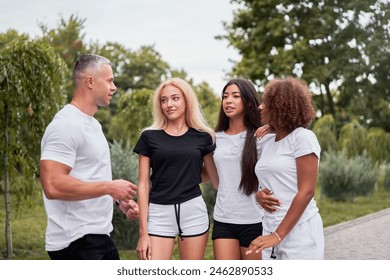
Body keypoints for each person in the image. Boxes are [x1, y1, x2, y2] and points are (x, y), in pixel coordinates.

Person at [40, 54, 138, 260]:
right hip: (75, 240)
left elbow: (88, 177)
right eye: (110, 80)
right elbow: (52, 185)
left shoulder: (93, 125)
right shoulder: (66, 124)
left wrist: (116, 200)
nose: (114, 87)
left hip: (98, 236)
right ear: (90, 81)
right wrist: (110, 187)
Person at [134, 77, 218, 260]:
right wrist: (143, 233)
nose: (169, 104)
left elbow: (210, 177)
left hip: (193, 211)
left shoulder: (203, 137)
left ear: (187, 101)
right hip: (158, 213)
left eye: (175, 98)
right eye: (164, 100)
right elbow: (143, 184)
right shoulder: (149, 137)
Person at [247, 77, 324, 260]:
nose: (260, 107)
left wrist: (278, 235)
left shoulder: (303, 138)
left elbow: (306, 191)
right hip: (270, 228)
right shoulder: (268, 141)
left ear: (281, 107)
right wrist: (259, 196)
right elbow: (268, 181)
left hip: (299, 231)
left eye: (266, 103)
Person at [211, 78, 266, 260]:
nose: (228, 101)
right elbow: (208, 175)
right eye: (225, 96)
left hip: (255, 219)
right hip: (223, 218)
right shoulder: (215, 137)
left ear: (248, 102)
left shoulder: (261, 136)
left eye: (235, 96)